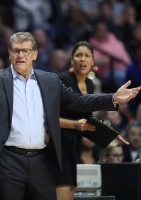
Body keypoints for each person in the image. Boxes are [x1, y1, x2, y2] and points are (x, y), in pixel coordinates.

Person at [0, 32, 141, 200]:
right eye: (16, 50)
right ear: (9, 54)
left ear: (35, 54)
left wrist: (113, 98)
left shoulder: (49, 80)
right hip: (7, 160)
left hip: (42, 160)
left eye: (26, 51)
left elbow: (79, 101)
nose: (21, 55)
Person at [55, 41, 99, 200]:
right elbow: (47, 118)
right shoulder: (62, 80)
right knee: (63, 190)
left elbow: (88, 119)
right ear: (71, 60)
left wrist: (111, 134)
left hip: (74, 146)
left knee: (72, 189)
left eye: (87, 56)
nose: (83, 59)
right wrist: (74, 124)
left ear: (93, 61)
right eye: (78, 55)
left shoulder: (89, 84)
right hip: (57, 144)